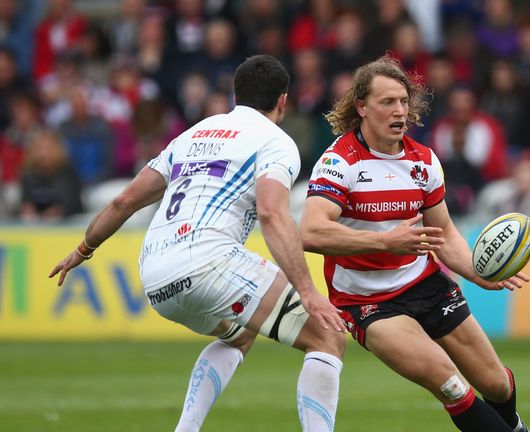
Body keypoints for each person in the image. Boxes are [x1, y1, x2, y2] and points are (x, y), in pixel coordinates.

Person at [49, 54, 345, 432]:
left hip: (155, 273)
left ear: (235, 97)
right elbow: (272, 214)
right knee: (327, 337)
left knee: (241, 334)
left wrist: (82, 250)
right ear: (283, 101)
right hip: (209, 261)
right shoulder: (276, 142)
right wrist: (308, 291)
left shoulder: (194, 134)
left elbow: (125, 201)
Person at [300, 55, 530, 432]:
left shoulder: (423, 161)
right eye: (387, 102)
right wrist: (385, 242)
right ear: (361, 107)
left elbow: (444, 235)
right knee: (451, 383)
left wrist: (479, 274)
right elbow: (311, 232)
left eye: (404, 102)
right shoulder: (339, 162)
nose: (400, 112)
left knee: (496, 383)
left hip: (425, 285)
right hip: (368, 303)